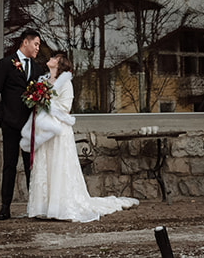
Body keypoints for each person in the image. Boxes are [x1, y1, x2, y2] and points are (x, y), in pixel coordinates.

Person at [20, 52, 140, 222]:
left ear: (59, 65)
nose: (50, 59)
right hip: (44, 130)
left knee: (58, 165)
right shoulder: (43, 81)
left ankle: (60, 206)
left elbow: (65, 108)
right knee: (45, 165)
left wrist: (46, 101)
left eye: (54, 58)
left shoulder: (66, 83)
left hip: (59, 131)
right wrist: (37, 100)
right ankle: (43, 207)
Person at [0, 28, 42, 220]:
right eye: (36, 44)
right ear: (25, 42)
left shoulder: (37, 69)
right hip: (10, 124)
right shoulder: (5, 64)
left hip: (30, 125)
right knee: (9, 165)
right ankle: (5, 207)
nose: (38, 48)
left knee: (30, 166)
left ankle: (33, 206)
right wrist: (2, 118)